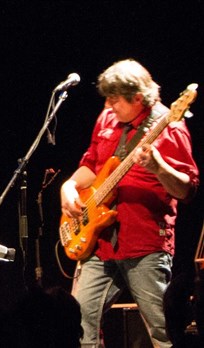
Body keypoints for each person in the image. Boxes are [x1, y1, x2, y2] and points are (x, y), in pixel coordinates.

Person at [60, 59, 199, 347]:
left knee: (163, 330)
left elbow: (187, 190)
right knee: (78, 323)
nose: (109, 106)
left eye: (115, 99)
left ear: (137, 98)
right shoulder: (107, 118)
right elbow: (92, 164)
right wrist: (69, 185)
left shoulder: (170, 127)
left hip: (144, 244)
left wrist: (158, 166)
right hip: (101, 243)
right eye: (107, 99)